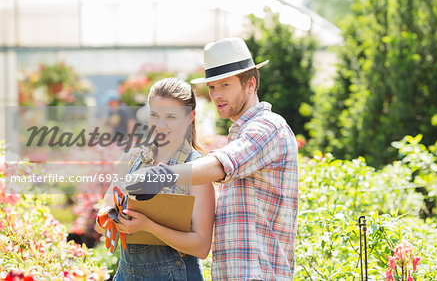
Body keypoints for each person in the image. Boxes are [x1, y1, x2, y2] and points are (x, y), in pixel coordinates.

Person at [128, 38, 299, 280]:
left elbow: (220, 165)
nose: (217, 95)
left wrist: (162, 175)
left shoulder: (268, 127)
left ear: (250, 84)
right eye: (212, 87)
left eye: (225, 85)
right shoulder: (240, 134)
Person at [96, 78, 215, 281]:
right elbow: (100, 223)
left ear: (190, 117)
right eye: (154, 115)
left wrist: (148, 226)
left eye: (170, 117)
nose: (160, 125)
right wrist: (111, 218)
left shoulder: (197, 169)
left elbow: (202, 247)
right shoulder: (131, 158)